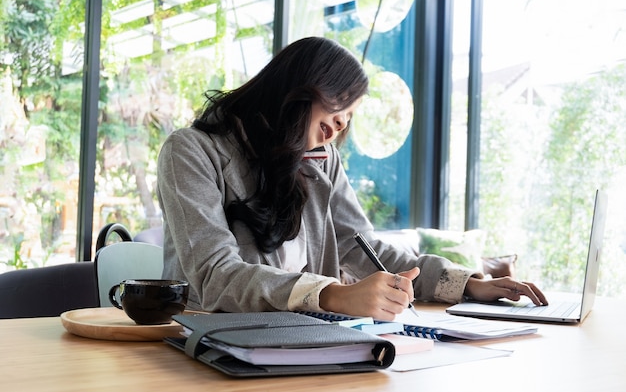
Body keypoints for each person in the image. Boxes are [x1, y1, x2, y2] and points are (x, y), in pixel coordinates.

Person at [157, 36, 548, 321]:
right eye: (341, 105)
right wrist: (333, 296)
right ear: (302, 86)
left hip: (308, 341)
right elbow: (213, 276)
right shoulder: (191, 151)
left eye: (350, 116)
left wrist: (464, 284)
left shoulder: (320, 161)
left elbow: (364, 248)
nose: (342, 124)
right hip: (211, 345)